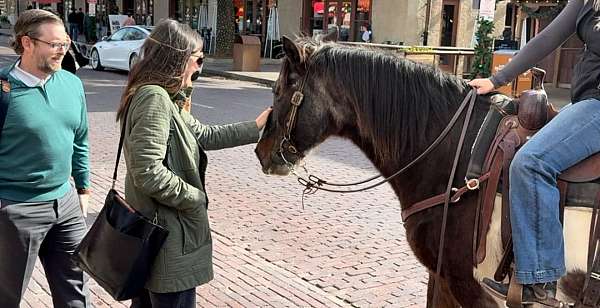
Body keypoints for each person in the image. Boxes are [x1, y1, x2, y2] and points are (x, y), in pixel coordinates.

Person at [115, 19, 271, 308]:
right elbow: (148, 172)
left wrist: (256, 126)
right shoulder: (154, 99)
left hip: (159, 233)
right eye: (198, 59)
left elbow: (203, 135)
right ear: (177, 58)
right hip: (167, 237)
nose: (200, 67)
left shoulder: (164, 97)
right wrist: (194, 197)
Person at [469, 0, 600, 305]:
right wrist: (497, 79)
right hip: (585, 104)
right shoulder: (586, 3)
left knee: (531, 162)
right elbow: (546, 38)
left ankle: (540, 282)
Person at [0, 9, 90, 308]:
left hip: (65, 205)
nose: (62, 51)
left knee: (75, 291)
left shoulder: (71, 84)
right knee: (7, 295)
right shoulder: (4, 91)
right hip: (16, 208)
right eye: (54, 45)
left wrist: (83, 188)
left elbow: (80, 139)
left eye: (65, 43)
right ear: (27, 43)